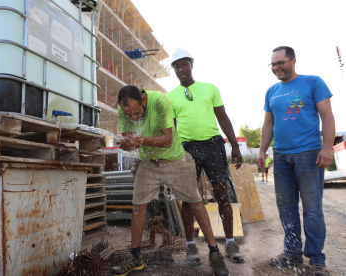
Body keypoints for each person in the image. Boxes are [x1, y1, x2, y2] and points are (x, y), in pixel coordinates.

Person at [110, 85, 230, 276]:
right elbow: (129, 141)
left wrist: (140, 140)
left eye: (136, 113)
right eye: (129, 114)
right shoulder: (123, 108)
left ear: (143, 100)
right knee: (137, 207)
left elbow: (167, 139)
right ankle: (135, 258)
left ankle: (215, 254)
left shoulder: (159, 101)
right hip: (149, 162)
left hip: (175, 161)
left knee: (196, 203)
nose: (133, 117)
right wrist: (127, 144)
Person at [258, 46, 335, 276]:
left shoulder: (313, 82)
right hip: (281, 156)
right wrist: (262, 152)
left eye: (280, 62)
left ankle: (316, 258)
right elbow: (268, 124)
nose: (276, 67)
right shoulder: (271, 91)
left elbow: (327, 116)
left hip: (309, 154)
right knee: (286, 208)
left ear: (293, 61)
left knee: (312, 209)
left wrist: (327, 147)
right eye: (273, 64)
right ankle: (291, 251)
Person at [167, 48, 245, 265]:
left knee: (222, 194)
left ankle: (230, 242)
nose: (181, 69)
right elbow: (171, 127)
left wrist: (234, 145)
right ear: (174, 70)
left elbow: (222, 116)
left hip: (213, 145)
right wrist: (172, 153)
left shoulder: (210, 88)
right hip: (187, 149)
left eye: (185, 64)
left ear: (192, 65)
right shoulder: (170, 96)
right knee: (189, 198)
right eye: (177, 66)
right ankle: (190, 246)